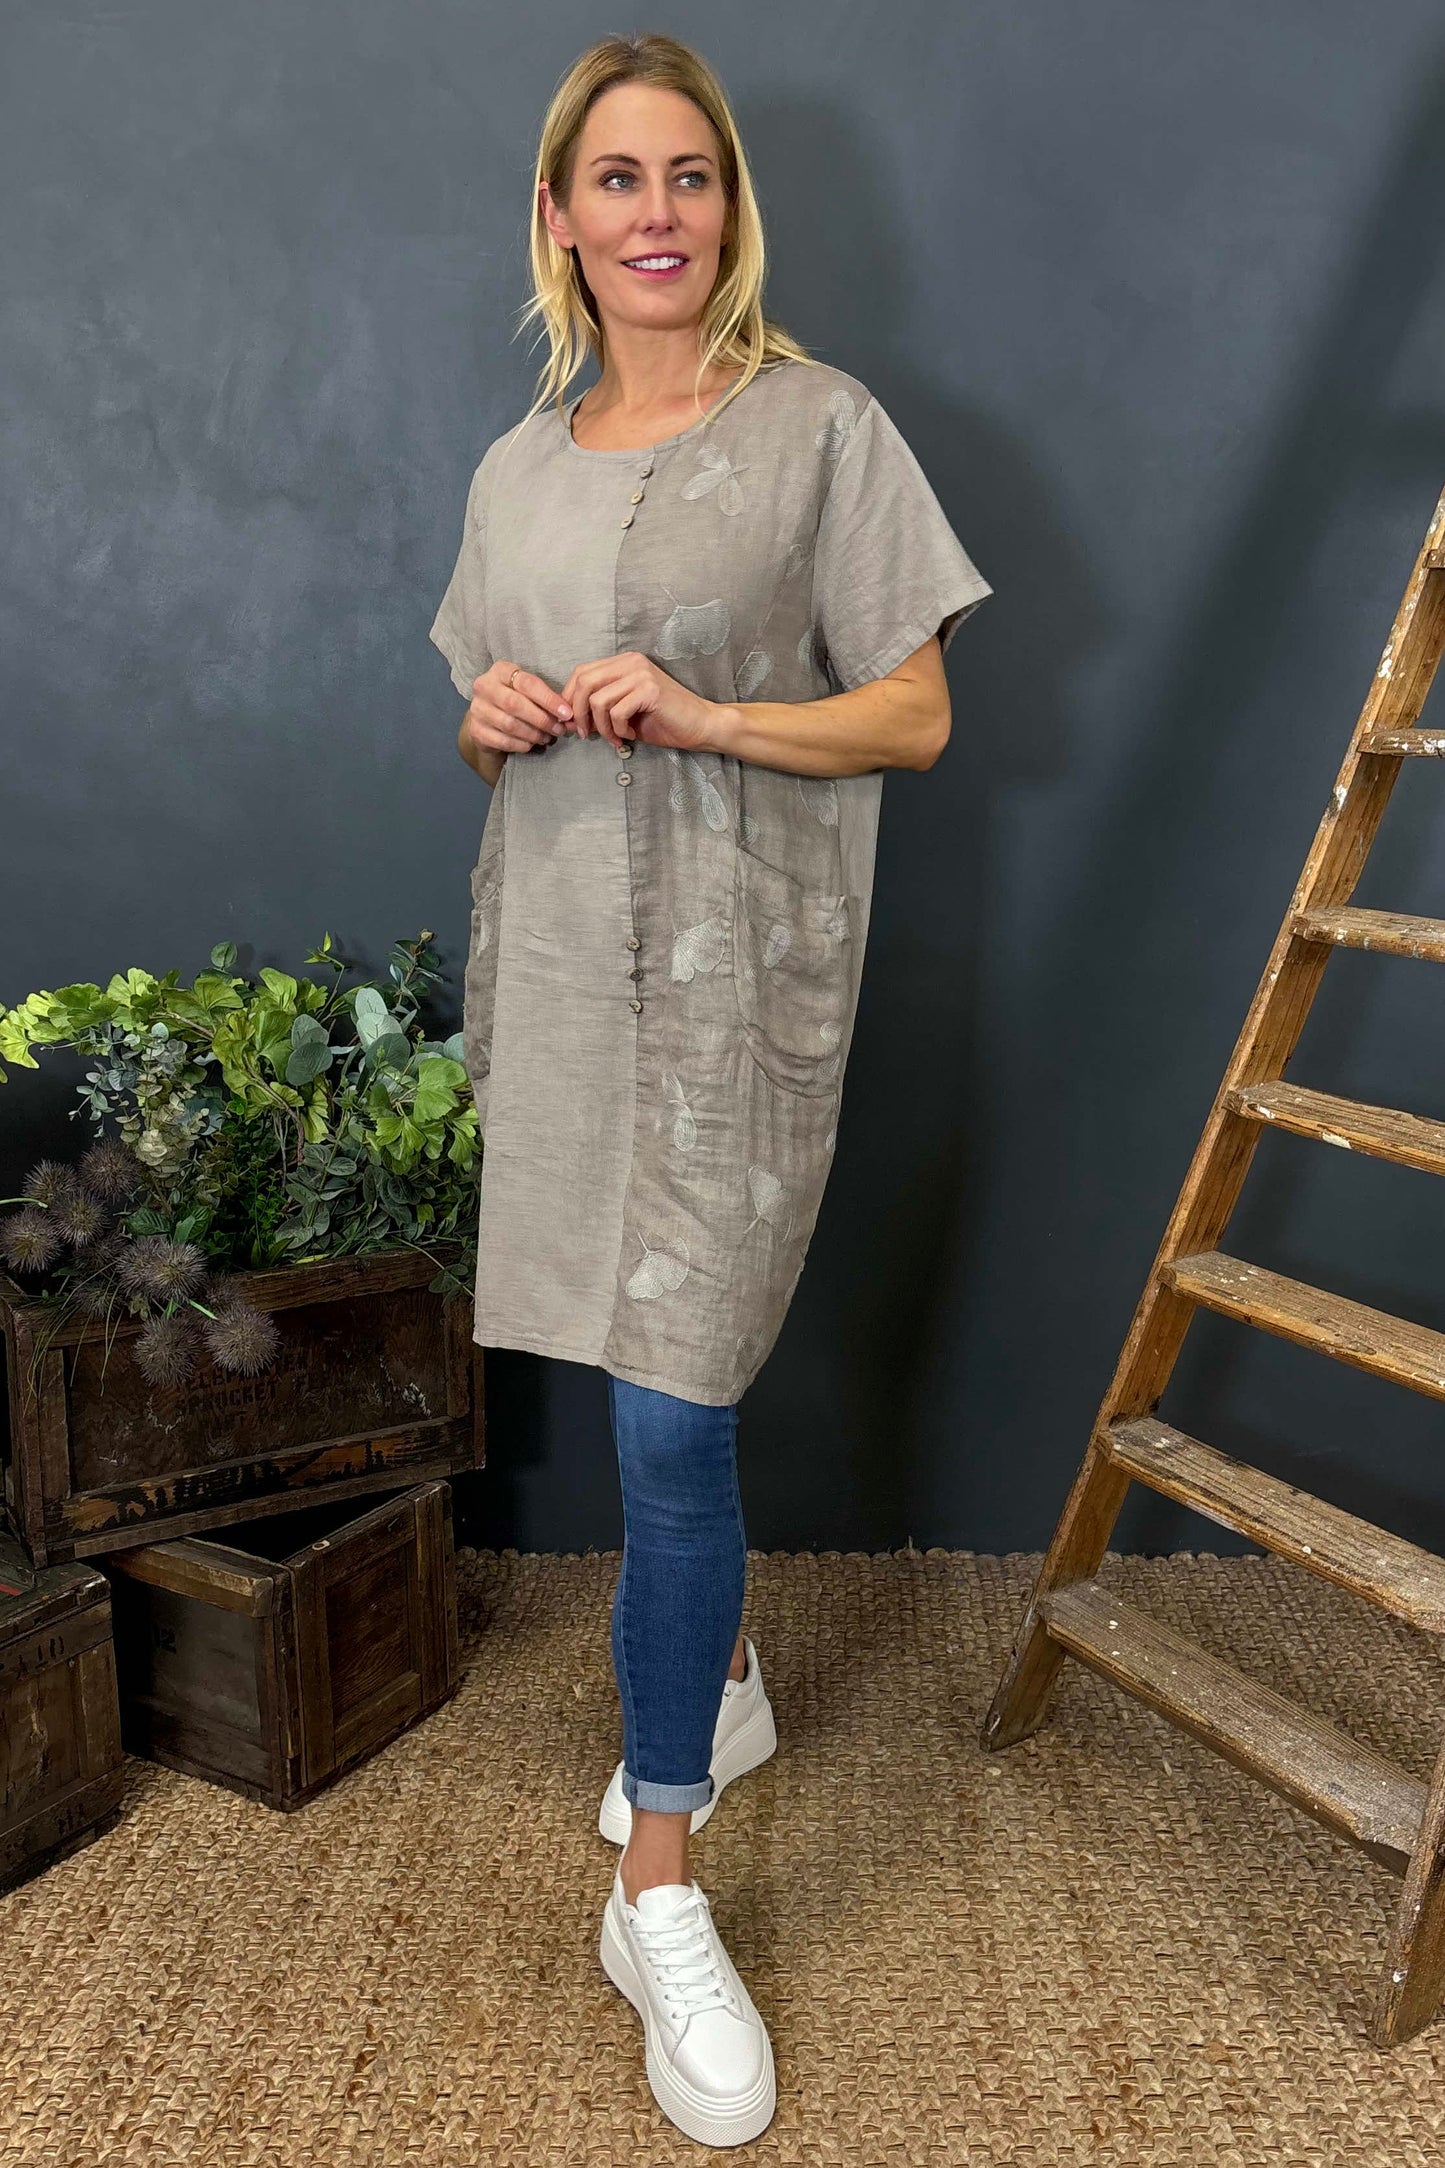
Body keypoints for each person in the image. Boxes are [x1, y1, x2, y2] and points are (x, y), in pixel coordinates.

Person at [428, 31, 992, 2149]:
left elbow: (915, 716)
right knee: (620, 1384)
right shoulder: (515, 468)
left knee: (673, 1419)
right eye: (618, 178)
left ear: (730, 206)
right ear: (560, 216)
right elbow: (482, 726)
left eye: (691, 174)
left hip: (733, 991)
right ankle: (727, 1686)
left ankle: (653, 1885)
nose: (657, 211)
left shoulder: (821, 429)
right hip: (570, 983)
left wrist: (715, 713)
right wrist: (494, 718)